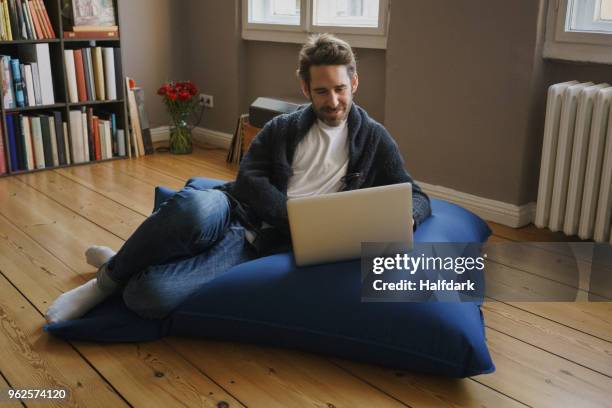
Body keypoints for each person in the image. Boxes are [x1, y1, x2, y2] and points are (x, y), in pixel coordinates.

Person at [45, 33, 431, 323]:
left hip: (256, 244)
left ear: (355, 84)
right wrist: (291, 213)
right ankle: (103, 283)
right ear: (305, 89)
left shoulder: (374, 138)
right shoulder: (283, 127)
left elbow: (415, 195)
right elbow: (249, 175)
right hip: (233, 208)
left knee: (150, 298)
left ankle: (124, 261)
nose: (333, 101)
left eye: (341, 89)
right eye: (322, 91)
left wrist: (406, 217)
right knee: (194, 208)